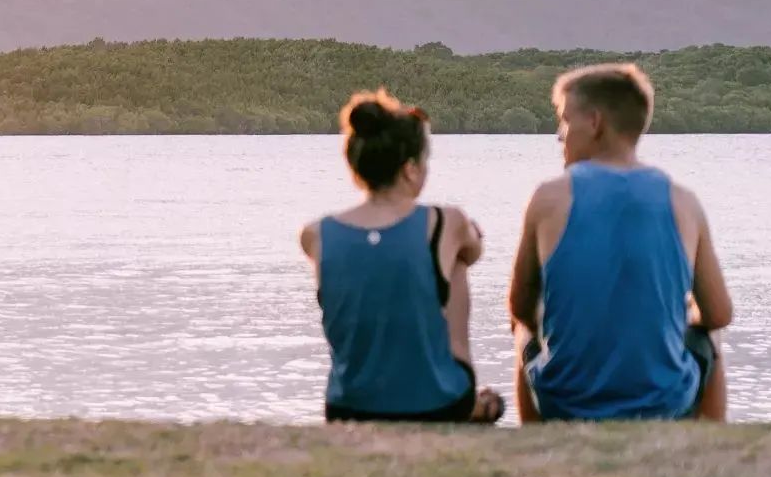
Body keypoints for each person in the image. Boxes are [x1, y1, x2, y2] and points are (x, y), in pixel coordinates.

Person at [508, 62, 733, 423]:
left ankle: (537, 441)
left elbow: (520, 307)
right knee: (711, 337)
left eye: (565, 120)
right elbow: (719, 313)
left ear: (594, 123)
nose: (559, 134)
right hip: (665, 402)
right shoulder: (684, 201)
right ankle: (709, 443)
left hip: (566, 403)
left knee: (521, 331)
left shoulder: (548, 198)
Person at [300, 89, 504, 423]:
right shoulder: (445, 221)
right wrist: (468, 238)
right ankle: (465, 398)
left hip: (346, 406)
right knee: (457, 261)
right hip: (437, 406)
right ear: (410, 169)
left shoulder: (315, 234)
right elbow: (475, 251)